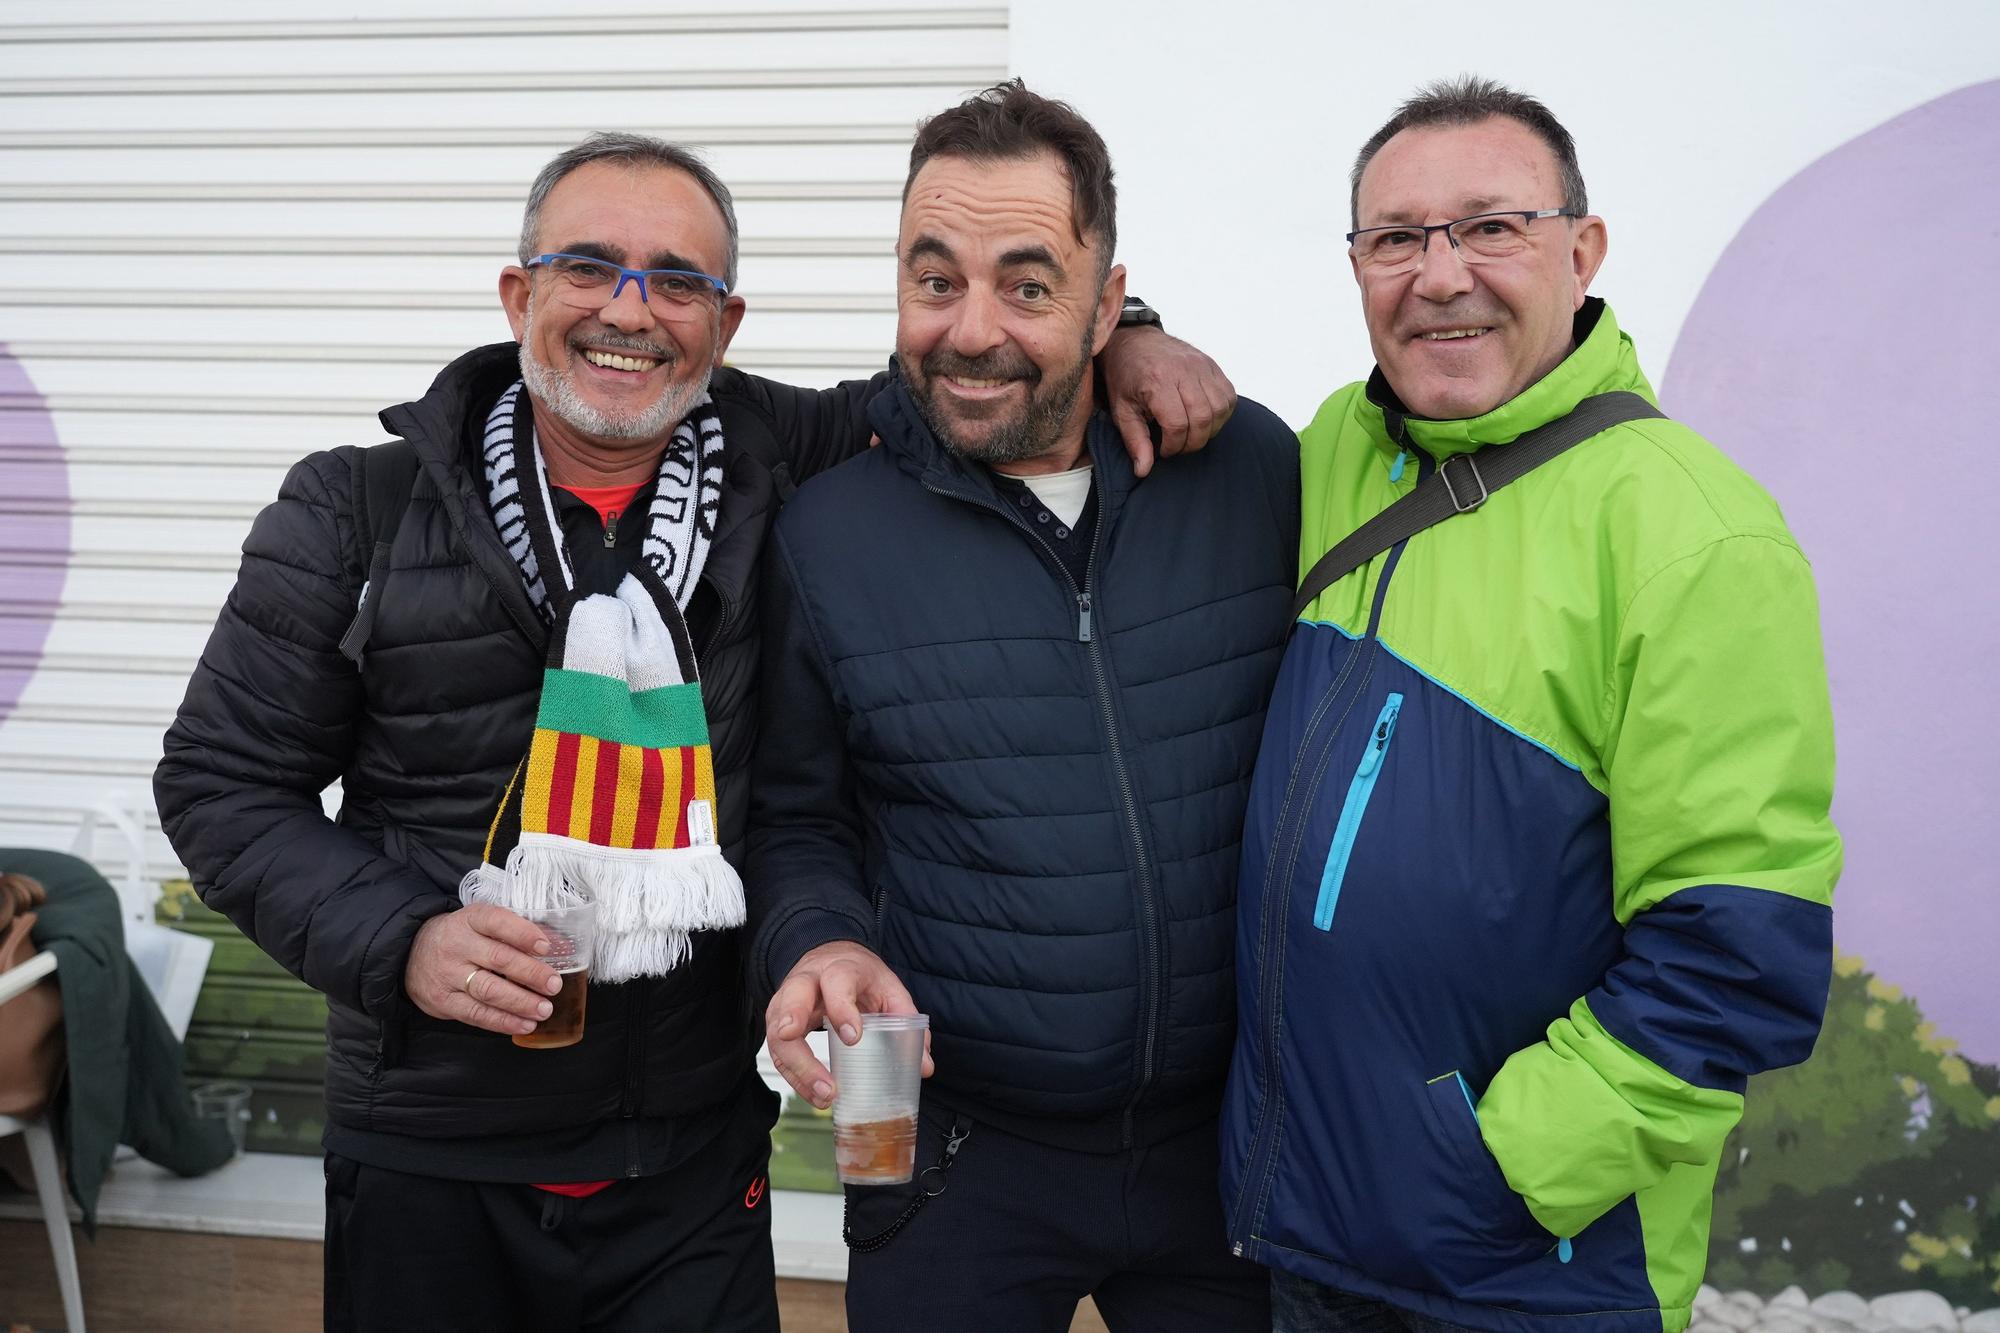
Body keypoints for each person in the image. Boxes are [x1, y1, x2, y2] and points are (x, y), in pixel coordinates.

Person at [152, 131, 1228, 1333]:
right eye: (588, 267)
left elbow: (979, 363)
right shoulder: (355, 507)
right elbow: (218, 783)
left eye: (677, 282)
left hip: (689, 1168)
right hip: (429, 1153)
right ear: (520, 293)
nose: (631, 311)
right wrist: (401, 938)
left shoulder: (792, 460)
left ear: (724, 322)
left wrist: (1132, 334)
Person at [1220, 77, 1842, 1333]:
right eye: (1394, 237)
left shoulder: (1692, 534)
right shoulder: (1341, 447)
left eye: (1489, 226)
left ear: (1582, 248)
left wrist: (1491, 1175)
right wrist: (1140, 334)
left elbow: (1735, 956)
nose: (1438, 274)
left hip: (1524, 1273)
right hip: (1308, 1240)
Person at [748, 81, 1299, 1333]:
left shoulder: (1252, 471)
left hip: (1233, 1141)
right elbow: (796, 817)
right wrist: (815, 938)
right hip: (949, 1148)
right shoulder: (828, 531)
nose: (971, 329)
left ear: (1110, 303)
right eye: (933, 280)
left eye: (1028, 284)